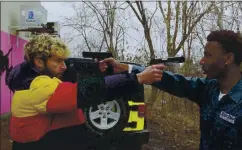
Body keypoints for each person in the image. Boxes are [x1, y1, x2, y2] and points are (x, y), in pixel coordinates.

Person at [99, 30, 242, 150]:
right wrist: (126, 68)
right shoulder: (208, 89)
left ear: (228, 58)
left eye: (208, 55)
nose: (201, 60)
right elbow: (172, 81)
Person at [6, 33, 165, 150]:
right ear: (39, 61)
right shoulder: (39, 87)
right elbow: (86, 91)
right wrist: (136, 79)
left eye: (64, 60)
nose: (64, 66)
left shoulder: (29, 78)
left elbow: (70, 71)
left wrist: (94, 68)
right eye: (58, 61)